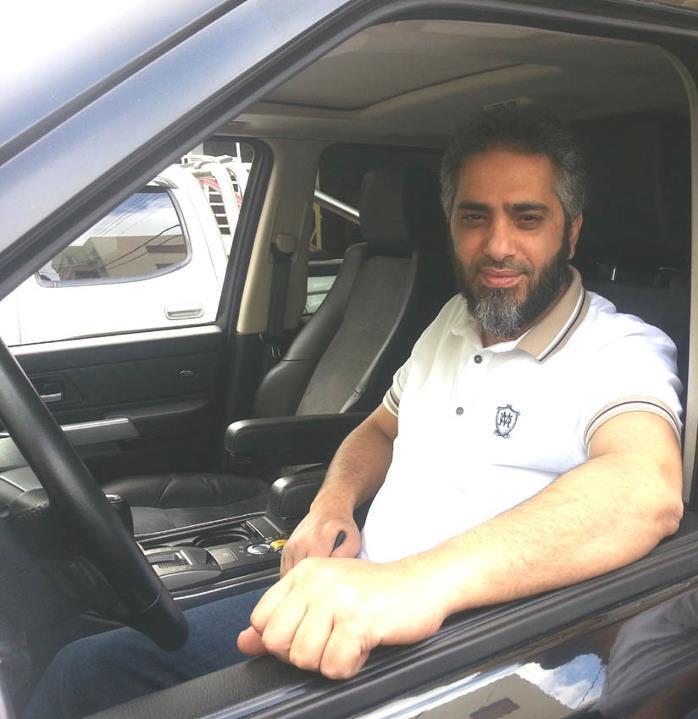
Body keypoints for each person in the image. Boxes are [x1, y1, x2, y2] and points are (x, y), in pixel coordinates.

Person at [24, 107, 684, 719]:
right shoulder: (453, 320)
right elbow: (381, 427)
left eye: (528, 217)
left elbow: (644, 488)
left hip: (471, 649)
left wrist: (414, 585)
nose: (498, 245)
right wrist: (331, 505)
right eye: (474, 217)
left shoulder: (619, 348)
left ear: (572, 231)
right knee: (88, 670)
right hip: (353, 596)